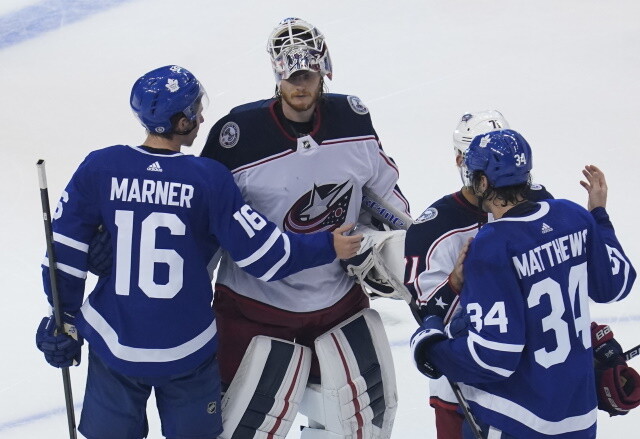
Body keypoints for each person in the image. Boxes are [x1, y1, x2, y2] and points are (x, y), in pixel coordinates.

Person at [35, 65, 363, 439]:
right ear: (180, 120)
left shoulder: (101, 166)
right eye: (195, 110)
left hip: (116, 345)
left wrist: (63, 318)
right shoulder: (207, 178)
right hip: (186, 350)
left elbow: (64, 250)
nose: (202, 116)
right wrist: (327, 245)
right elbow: (263, 256)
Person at [200, 17, 409, 439]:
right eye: (291, 76)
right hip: (254, 309)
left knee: (362, 425)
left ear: (323, 70)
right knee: (241, 427)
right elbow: (205, 223)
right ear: (277, 74)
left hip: (338, 305)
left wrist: (395, 246)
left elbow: (387, 198)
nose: (300, 86)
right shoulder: (236, 137)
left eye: (308, 75)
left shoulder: (352, 123)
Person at [410, 129, 637, 438]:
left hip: (519, 421)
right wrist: (598, 215)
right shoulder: (572, 214)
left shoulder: (491, 245)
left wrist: (431, 348)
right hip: (580, 418)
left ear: (483, 182)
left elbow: (493, 357)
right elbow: (616, 284)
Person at [403, 111, 552, 439]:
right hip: (464, 393)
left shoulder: (539, 202)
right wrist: (455, 284)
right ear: (461, 160)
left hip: (534, 382)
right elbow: (426, 320)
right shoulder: (433, 228)